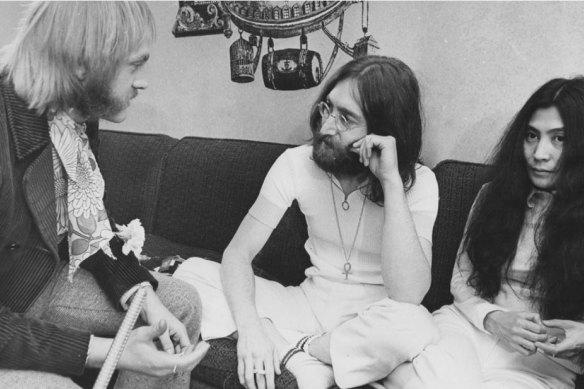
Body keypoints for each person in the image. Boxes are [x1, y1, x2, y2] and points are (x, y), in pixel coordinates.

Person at [174, 55, 440, 389]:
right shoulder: (296, 163)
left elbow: (409, 294)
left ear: (381, 131)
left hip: (374, 318)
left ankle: (302, 349)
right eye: (328, 109)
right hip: (307, 305)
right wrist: (252, 328)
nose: (326, 127)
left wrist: (390, 182)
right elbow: (238, 254)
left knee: (415, 324)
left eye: (346, 119)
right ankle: (310, 358)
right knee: (190, 276)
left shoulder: (419, 183)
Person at [0, 2, 208, 388]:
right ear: (83, 63)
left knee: (180, 304)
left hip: (37, 281)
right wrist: (109, 351)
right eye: (135, 64)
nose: (142, 81)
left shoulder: (76, 112)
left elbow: (90, 217)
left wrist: (143, 292)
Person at [383, 77, 584, 389]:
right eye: (532, 136)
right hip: (467, 329)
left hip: (540, 365)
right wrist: (493, 318)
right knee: (420, 378)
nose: (540, 153)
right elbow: (461, 281)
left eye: (559, 139)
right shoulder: (494, 195)